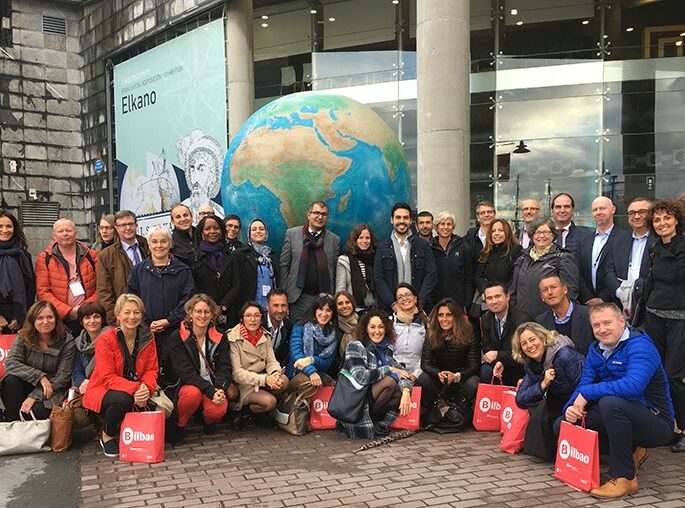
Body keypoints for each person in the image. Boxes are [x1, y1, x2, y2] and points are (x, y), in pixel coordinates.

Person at [559, 303, 675, 498]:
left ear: (622, 322)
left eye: (607, 323)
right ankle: (629, 452)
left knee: (609, 403)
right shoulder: (595, 349)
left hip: (656, 422)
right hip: (621, 415)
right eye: (596, 325)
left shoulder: (641, 345)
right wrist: (570, 408)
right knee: (562, 424)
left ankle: (624, 477)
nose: (602, 329)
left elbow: (633, 385)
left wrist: (588, 393)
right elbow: (583, 384)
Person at [83, 294, 158, 458]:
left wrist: (146, 387)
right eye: (127, 312)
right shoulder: (106, 338)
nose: (132, 317)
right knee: (124, 399)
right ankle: (107, 435)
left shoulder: (147, 336)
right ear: (118, 315)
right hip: (104, 389)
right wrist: (137, 389)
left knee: (168, 418)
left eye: (137, 312)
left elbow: (152, 369)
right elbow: (107, 376)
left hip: (139, 387)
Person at [643, 198, 685, 453]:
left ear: (677, 220)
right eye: (657, 219)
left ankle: (683, 427)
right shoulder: (654, 248)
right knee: (657, 373)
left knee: (674, 376)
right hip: (654, 317)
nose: (662, 223)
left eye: (667, 218)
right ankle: (666, 426)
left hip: (680, 319)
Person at [166, 294, 236, 443]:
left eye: (207, 312)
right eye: (198, 311)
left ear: (212, 315)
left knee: (218, 409)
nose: (202, 316)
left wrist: (218, 388)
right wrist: (210, 391)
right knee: (192, 394)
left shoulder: (220, 336)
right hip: (187, 384)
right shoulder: (177, 337)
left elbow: (225, 366)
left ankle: (206, 420)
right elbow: (185, 372)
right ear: (190, 313)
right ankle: (180, 425)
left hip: (212, 384)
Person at [336, 310, 413, 439]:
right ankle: (367, 419)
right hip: (356, 400)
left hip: (371, 398)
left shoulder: (386, 349)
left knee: (401, 391)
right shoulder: (356, 346)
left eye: (381, 327)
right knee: (391, 381)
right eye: (372, 327)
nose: (377, 331)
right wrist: (389, 369)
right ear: (366, 329)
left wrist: (406, 391)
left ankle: (374, 420)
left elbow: (403, 373)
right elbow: (360, 377)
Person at [510, 322, 583, 454]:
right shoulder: (531, 364)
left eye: (532, 339)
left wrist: (572, 407)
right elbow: (520, 399)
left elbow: (584, 385)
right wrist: (542, 384)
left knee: (557, 424)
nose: (529, 346)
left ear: (543, 338)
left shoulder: (564, 355)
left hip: (577, 407)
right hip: (558, 406)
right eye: (524, 343)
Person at [127, 226, 195, 367]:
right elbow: (132, 299)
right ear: (149, 244)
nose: (159, 245)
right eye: (154, 241)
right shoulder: (137, 271)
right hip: (145, 332)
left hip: (175, 332)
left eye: (163, 241)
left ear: (170, 244)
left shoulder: (183, 271)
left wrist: (170, 320)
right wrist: (145, 322)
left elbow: (188, 300)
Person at [1, 300, 75, 421]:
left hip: (52, 389)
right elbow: (11, 363)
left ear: (56, 319)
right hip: (26, 383)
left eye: (50, 317)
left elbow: (63, 377)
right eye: (40, 318)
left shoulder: (67, 341)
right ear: (32, 321)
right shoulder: (23, 336)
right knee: (10, 381)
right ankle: (12, 424)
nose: (45, 322)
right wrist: (40, 376)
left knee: (33, 412)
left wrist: (35, 396)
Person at [418, 298, 479, 420]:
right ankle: (436, 407)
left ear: (456, 316)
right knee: (423, 378)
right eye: (440, 315)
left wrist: (456, 376)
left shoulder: (468, 332)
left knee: (474, 382)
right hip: (440, 379)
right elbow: (425, 364)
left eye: (448, 315)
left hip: (460, 378)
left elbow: (474, 364)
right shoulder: (432, 333)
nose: (444, 319)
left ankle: (459, 407)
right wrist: (438, 374)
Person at [280, 200, 340, 322]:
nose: (320, 217)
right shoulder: (292, 234)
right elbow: (284, 265)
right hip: (297, 297)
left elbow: (334, 270)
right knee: (296, 334)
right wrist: (284, 295)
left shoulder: (334, 240)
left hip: (322, 299)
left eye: (324, 214)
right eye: (316, 213)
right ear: (308, 215)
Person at [36, 218, 98, 334]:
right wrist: (67, 311)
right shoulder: (44, 259)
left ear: (76, 233)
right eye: (61, 231)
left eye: (69, 230)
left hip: (89, 317)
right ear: (54, 235)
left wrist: (84, 309)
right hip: (59, 319)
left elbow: (101, 287)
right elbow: (42, 291)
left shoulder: (92, 256)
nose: (65, 234)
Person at [510, 216, 579, 318]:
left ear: (553, 235)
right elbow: (514, 291)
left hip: (549, 319)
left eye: (546, 232)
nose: (541, 236)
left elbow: (570, 292)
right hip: (523, 319)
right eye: (537, 232)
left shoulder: (563, 258)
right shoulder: (522, 258)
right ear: (532, 235)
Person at [227, 301, 289, 415]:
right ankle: (243, 412)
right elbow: (237, 373)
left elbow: (271, 360)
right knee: (270, 402)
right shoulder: (233, 338)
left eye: (256, 315)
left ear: (261, 318)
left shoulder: (265, 335)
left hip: (263, 378)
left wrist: (275, 374)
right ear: (242, 318)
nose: (253, 319)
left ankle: (264, 411)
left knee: (283, 381)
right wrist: (265, 379)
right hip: (245, 384)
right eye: (248, 316)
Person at [375, 202, 437, 311]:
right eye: (398, 217)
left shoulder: (423, 245)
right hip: (391, 309)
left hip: (419, 308)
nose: (402, 221)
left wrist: (418, 301)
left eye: (405, 217)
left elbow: (431, 275)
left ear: (410, 220)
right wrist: (393, 304)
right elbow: (379, 279)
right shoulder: (382, 247)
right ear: (392, 220)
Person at [604, 197, 656, 319]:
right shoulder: (618, 240)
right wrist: (620, 293)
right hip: (622, 305)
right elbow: (609, 271)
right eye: (632, 213)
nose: (636, 216)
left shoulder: (659, 240)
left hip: (651, 306)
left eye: (642, 212)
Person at [97, 210, 149, 325]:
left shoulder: (148, 246)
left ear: (136, 225)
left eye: (130, 224)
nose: (127, 228)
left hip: (149, 312)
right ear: (116, 228)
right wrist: (114, 320)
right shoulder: (106, 255)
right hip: (124, 317)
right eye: (122, 225)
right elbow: (104, 292)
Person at [578, 196, 629, 305]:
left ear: (613, 210)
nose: (598, 212)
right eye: (595, 210)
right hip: (587, 303)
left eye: (602, 208)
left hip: (614, 301)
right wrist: (588, 298)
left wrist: (603, 298)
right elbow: (580, 271)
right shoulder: (584, 240)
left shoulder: (624, 239)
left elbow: (622, 273)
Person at [480, 282, 531, 386]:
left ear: (507, 296)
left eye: (497, 296)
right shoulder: (486, 318)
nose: (494, 301)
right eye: (489, 298)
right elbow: (487, 348)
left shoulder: (523, 320)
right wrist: (498, 361)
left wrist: (499, 355)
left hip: (519, 367)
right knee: (486, 370)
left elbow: (525, 355)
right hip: (499, 365)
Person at [286, 295, 337, 398]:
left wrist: (311, 360)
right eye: (321, 309)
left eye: (328, 310)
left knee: (335, 387)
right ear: (314, 310)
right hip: (295, 374)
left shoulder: (332, 335)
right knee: (309, 382)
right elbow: (296, 356)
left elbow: (327, 363)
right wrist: (311, 371)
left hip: (319, 374)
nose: (324, 314)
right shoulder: (300, 327)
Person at [227, 219, 279, 319]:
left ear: (266, 233)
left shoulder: (271, 256)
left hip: (269, 307)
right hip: (248, 307)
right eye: (254, 229)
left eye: (261, 229)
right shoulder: (240, 254)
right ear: (249, 234)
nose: (258, 231)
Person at [193, 215, 237, 329]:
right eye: (207, 229)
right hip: (203, 313)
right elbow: (193, 286)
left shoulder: (230, 255)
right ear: (202, 232)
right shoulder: (195, 257)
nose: (212, 231)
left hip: (227, 312)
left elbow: (236, 285)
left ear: (222, 231)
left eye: (216, 228)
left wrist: (222, 306)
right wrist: (209, 306)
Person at [535, 275, 593, 355]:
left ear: (565, 289)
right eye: (545, 290)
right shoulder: (541, 322)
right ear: (542, 297)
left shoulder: (588, 314)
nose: (550, 292)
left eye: (553, 287)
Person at [0, 210, 35, 332]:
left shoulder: (23, 255)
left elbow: (30, 287)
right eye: (0, 226)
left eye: (9, 226)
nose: (5, 230)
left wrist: (20, 317)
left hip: (19, 319)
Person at [430, 211, 471, 309]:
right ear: (437, 227)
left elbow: (469, 279)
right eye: (442, 224)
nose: (446, 227)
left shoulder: (464, 247)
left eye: (449, 224)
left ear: (453, 227)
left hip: (458, 303)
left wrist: (467, 303)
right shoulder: (429, 248)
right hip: (435, 303)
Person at [335, 223, 377, 313]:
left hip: (374, 309)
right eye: (361, 238)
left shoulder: (376, 258)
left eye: (367, 238)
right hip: (352, 310)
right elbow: (340, 289)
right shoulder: (344, 260)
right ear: (354, 240)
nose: (364, 241)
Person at [475, 218, 522, 296]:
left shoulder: (516, 250)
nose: (496, 233)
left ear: (507, 232)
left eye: (500, 230)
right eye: (493, 231)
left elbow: (515, 277)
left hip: (508, 297)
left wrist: (502, 293)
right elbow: (479, 276)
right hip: (488, 297)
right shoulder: (486, 252)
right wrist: (486, 291)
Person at [391, 283, 426, 384]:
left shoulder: (426, 323)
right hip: (395, 372)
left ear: (415, 299)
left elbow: (427, 354)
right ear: (397, 303)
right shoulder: (389, 323)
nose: (405, 299)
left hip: (419, 373)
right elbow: (387, 353)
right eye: (400, 297)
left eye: (408, 295)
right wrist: (398, 371)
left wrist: (416, 374)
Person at [72, 301, 108, 396]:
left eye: (96, 316)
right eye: (87, 318)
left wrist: (92, 384)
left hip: (106, 386)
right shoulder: (78, 343)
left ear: (102, 320)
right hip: (85, 386)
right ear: (81, 322)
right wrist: (81, 383)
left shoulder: (111, 338)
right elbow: (77, 370)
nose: (92, 321)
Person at [551, 192, 591, 260]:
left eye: (566, 207)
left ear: (573, 210)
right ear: (552, 211)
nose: (562, 210)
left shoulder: (586, 236)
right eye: (558, 207)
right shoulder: (543, 235)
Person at [261, 288, 292, 367]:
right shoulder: (258, 323)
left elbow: (287, 354)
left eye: (283, 305)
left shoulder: (288, 325)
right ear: (267, 306)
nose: (280, 310)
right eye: (276, 305)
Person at [334, 290, 359, 361]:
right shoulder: (332, 326)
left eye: (347, 302)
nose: (344, 306)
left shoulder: (362, 322)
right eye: (340, 303)